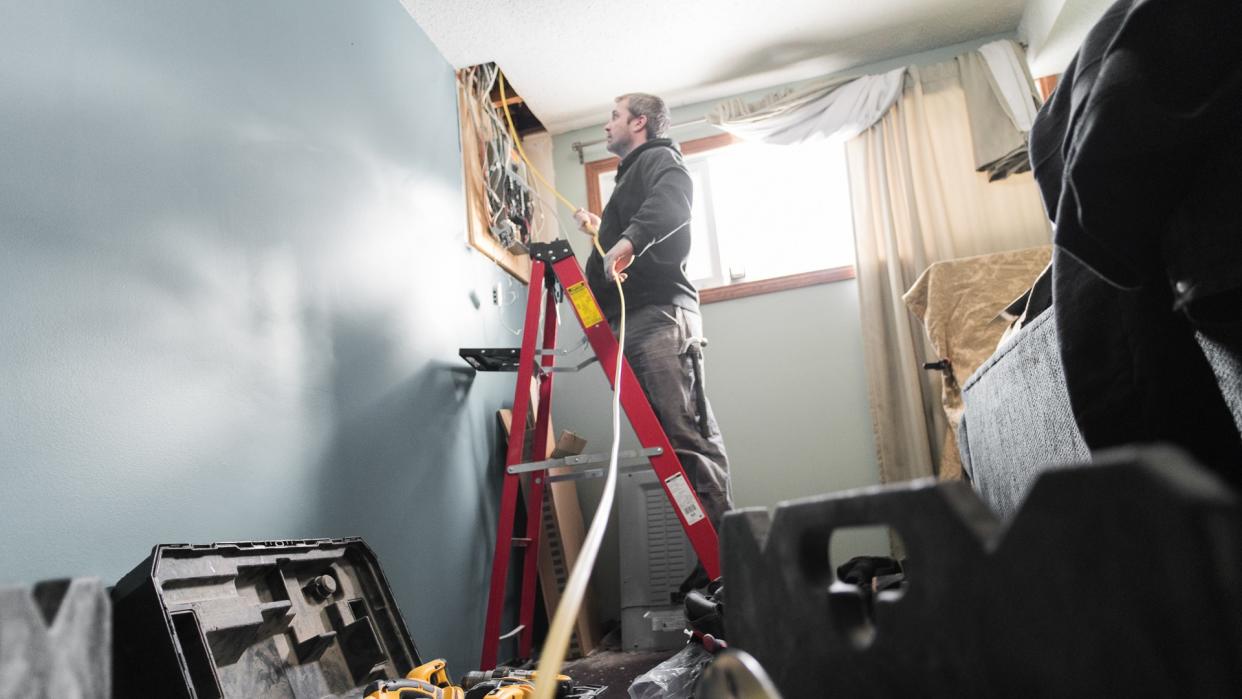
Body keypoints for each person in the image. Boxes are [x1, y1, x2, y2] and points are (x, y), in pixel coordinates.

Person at [572, 93, 733, 557]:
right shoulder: (631, 177)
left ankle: (730, 568)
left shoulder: (661, 158)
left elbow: (674, 202)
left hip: (660, 317)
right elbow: (645, 220)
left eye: (614, 116)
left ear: (639, 122)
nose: (606, 126)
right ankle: (716, 564)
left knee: (688, 441)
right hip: (642, 319)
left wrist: (628, 239)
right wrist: (605, 229)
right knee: (677, 444)